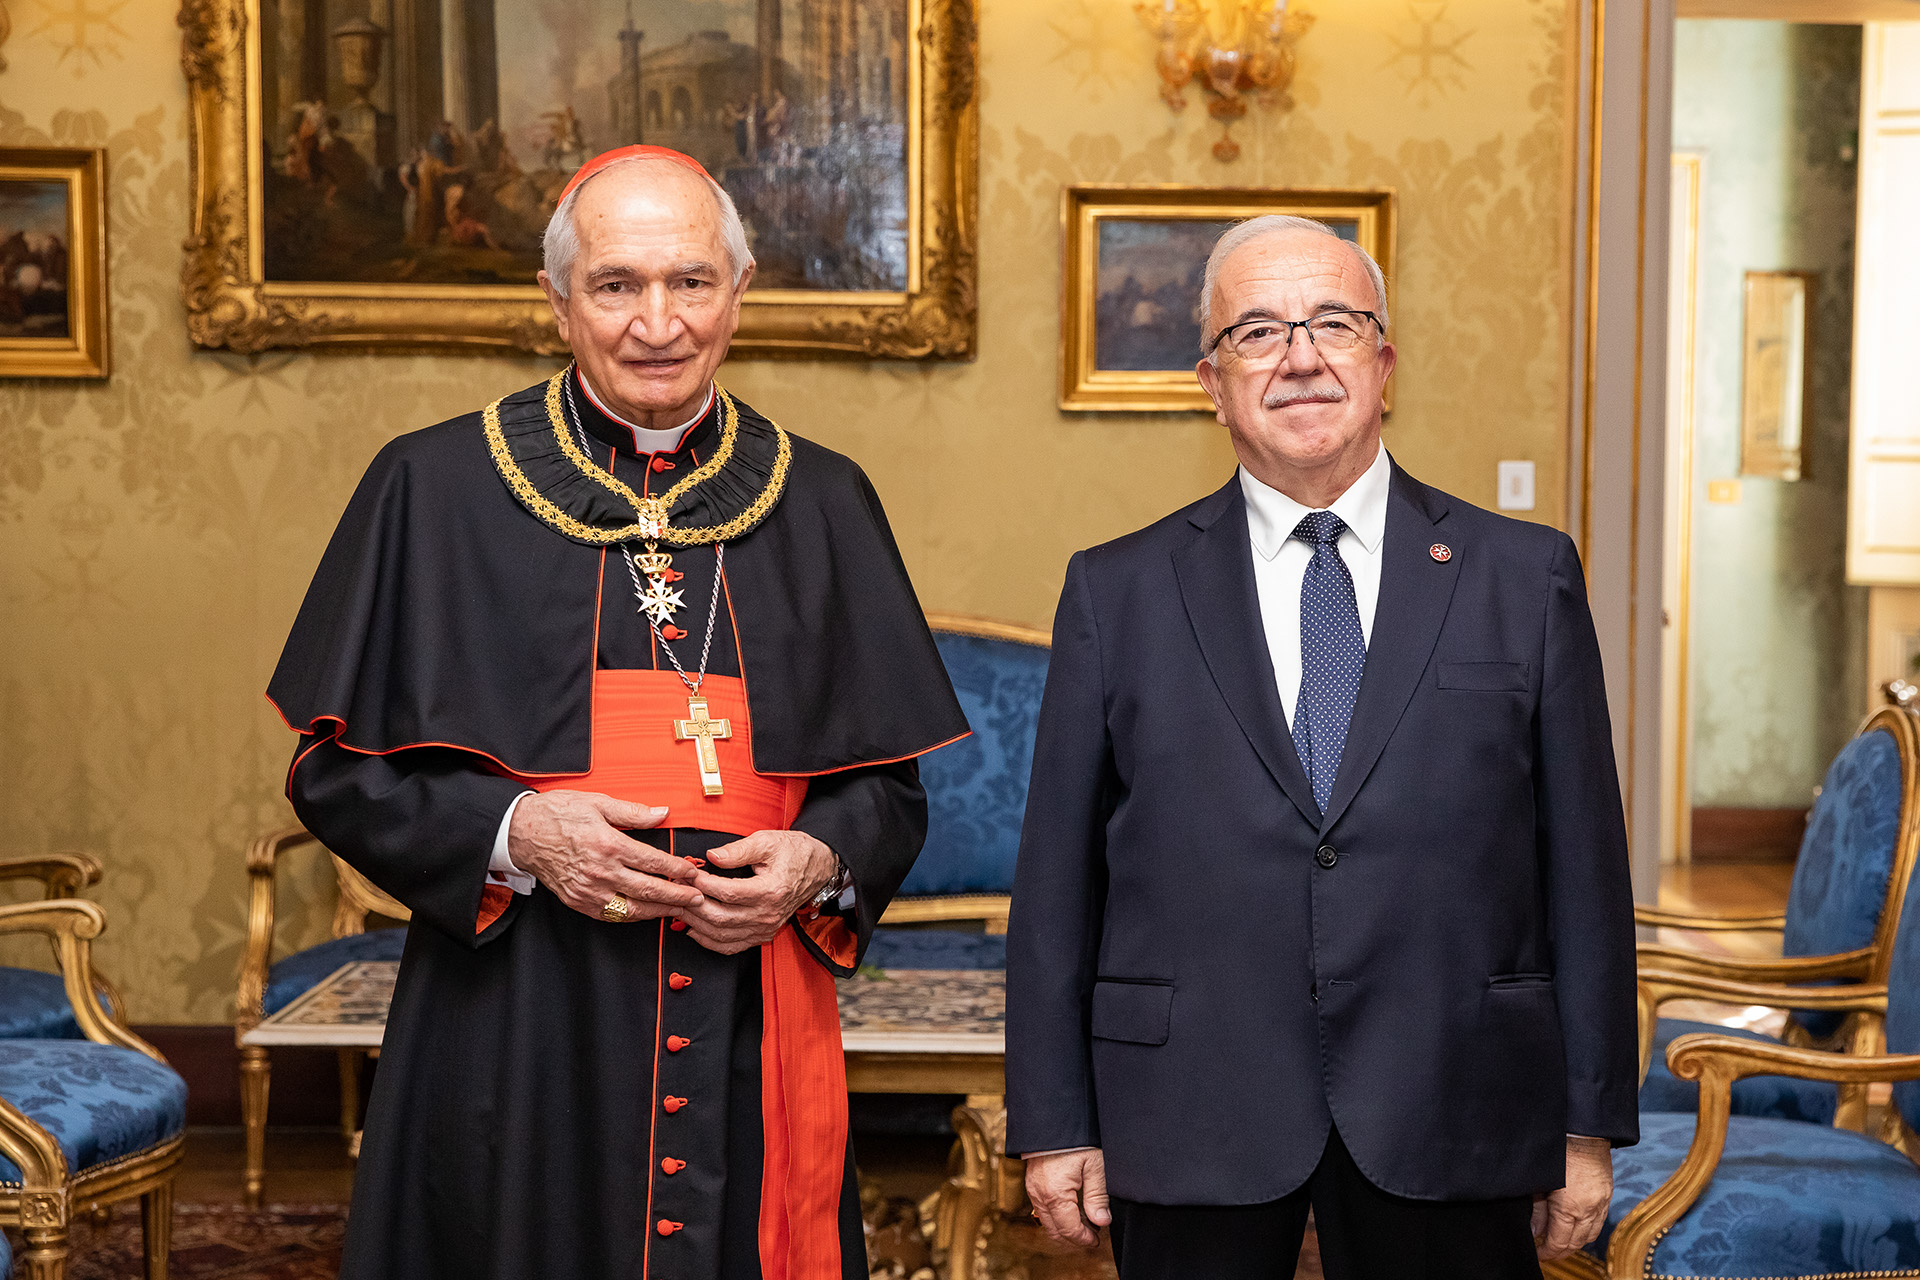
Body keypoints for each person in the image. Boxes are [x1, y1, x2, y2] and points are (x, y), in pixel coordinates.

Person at [269, 144, 968, 1280]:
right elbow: (333, 771)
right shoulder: (433, 486)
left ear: (740, 295)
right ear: (555, 301)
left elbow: (886, 786)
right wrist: (519, 833)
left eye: (691, 281)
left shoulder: (825, 497)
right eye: (617, 284)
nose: (659, 322)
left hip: (753, 1012)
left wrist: (815, 860)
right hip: (519, 1015)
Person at [1005, 215, 1637, 1279]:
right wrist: (1056, 1117)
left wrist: (1585, 1123)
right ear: (1211, 382)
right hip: (1192, 1106)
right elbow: (1057, 881)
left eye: (1333, 323)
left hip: (1455, 1096)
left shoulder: (1522, 576)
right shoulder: (1115, 590)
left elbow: (1583, 865)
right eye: (1257, 332)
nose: (1300, 355)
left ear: (1383, 364)